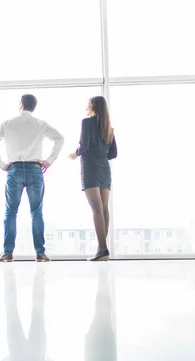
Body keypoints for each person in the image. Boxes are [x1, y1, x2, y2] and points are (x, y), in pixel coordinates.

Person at [0, 94, 65, 262]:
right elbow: (60, 139)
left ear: (21, 104)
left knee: (11, 213)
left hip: (14, 170)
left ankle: (7, 253)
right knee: (36, 213)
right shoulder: (41, 124)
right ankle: (40, 253)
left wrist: (1, 164)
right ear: (33, 107)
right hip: (35, 170)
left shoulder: (8, 123)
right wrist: (49, 161)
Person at [69, 96, 117, 261]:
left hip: (90, 166)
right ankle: (102, 249)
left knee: (96, 209)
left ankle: (102, 250)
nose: (86, 108)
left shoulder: (86, 122)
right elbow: (113, 153)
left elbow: (84, 145)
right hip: (104, 167)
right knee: (104, 209)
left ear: (93, 106)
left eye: (87, 105)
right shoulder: (108, 128)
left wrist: (75, 154)